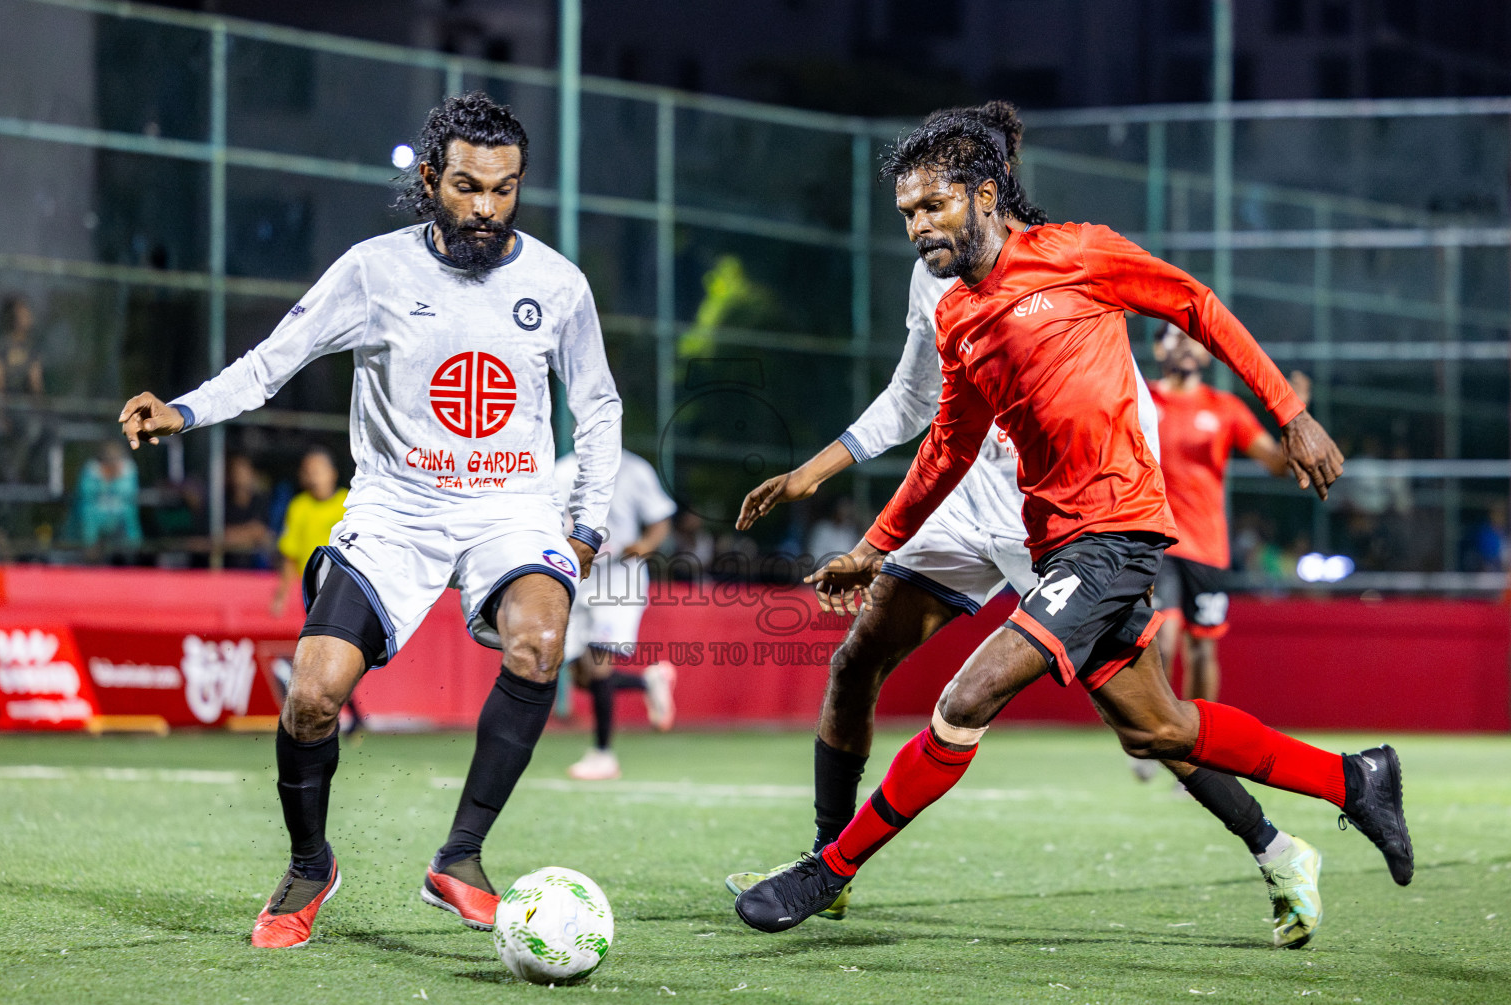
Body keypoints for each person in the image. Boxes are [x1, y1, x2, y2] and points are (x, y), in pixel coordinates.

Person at [734, 107, 1411, 938]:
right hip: (1050, 536)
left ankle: (829, 870)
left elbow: (1195, 304)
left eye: (933, 206)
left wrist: (1289, 413)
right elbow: (946, 445)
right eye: (907, 213)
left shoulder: (1078, 253)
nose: (917, 228)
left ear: (988, 193)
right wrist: (874, 546)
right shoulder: (955, 314)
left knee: (967, 697)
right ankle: (1355, 780)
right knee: (1157, 726)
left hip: (1113, 536)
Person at [118, 92, 621, 949]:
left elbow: (599, 406)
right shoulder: (372, 271)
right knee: (313, 695)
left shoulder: (557, 283)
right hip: (396, 511)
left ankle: (459, 858)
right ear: (429, 181)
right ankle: (309, 864)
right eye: (467, 187)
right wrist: (187, 410)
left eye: (504, 190)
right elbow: (271, 364)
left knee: (541, 642)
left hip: (509, 507)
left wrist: (588, 527)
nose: (487, 208)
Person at [1141, 325, 1310, 745]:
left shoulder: (1225, 408)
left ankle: (1199, 743)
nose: (1186, 345)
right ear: (1158, 348)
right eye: (1175, 337)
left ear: (1205, 353)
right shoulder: (1141, 399)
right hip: (1156, 540)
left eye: (1193, 339)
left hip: (1208, 547)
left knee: (1202, 650)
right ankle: (1152, 731)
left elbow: (1277, 464)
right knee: (1162, 640)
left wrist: (1294, 419)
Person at [555, 448, 678, 780]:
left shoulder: (634, 469)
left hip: (619, 579)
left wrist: (646, 545)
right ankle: (647, 681)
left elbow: (660, 520)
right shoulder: (562, 472)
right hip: (578, 578)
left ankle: (603, 754)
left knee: (598, 666)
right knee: (583, 676)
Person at [269, 448, 349, 616]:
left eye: (318, 472)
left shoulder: (348, 503)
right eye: (308, 472)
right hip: (308, 591)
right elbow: (290, 554)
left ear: (333, 473)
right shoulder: (298, 507)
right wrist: (282, 594)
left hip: (343, 588)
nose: (313, 478)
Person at [0, 294, 45, 483]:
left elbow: (36, 384)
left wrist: (41, 409)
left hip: (26, 407)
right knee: (30, 427)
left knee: (51, 429)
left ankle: (39, 476)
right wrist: (0, 413)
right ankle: (11, 472)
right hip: (9, 407)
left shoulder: (31, 348)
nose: (26, 318)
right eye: (22, 314)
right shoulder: (1, 346)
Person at [68, 440, 142, 557]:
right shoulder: (92, 469)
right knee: (87, 512)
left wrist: (115, 480)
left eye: (115, 458)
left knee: (129, 513)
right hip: (96, 512)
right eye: (109, 459)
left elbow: (130, 493)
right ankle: (90, 551)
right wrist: (104, 481)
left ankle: (133, 553)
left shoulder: (128, 469)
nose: (112, 462)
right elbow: (85, 492)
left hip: (120, 513)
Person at [223, 453, 274, 570]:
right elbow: (222, 536)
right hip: (227, 568)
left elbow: (262, 532)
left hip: (256, 569)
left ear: (252, 474)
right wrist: (249, 534)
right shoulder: (222, 504)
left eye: (243, 472)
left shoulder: (260, 501)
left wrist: (236, 536)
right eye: (236, 472)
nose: (240, 477)